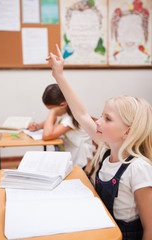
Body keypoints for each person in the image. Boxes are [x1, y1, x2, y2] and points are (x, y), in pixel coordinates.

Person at [46, 44, 152, 240]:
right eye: (101, 116)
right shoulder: (105, 148)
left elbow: (150, 228)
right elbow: (81, 113)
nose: (98, 122)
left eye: (108, 119)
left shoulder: (138, 169)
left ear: (127, 132)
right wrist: (58, 75)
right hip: (99, 230)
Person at [28, 83, 95, 168]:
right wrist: (37, 126)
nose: (50, 112)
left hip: (77, 160)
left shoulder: (72, 118)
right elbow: (46, 124)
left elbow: (47, 135)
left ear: (62, 105)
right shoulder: (65, 113)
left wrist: (52, 113)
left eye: (51, 109)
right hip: (67, 154)